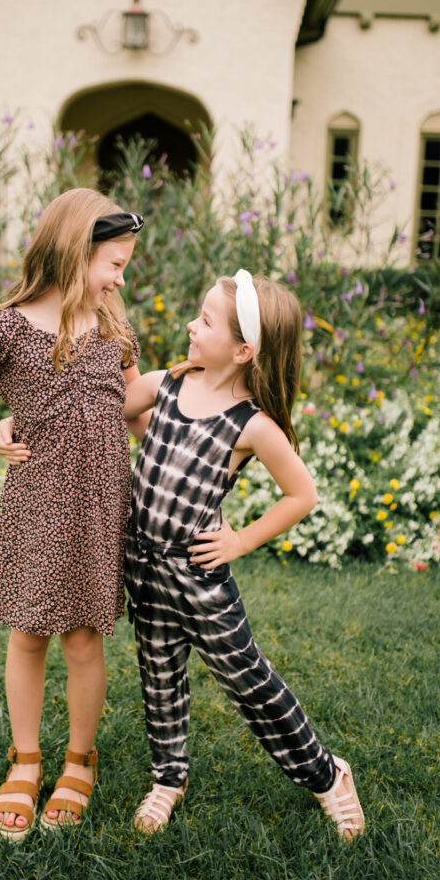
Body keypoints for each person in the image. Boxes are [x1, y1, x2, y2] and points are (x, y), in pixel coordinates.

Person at [0, 187, 144, 840]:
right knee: (29, 632)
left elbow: (130, 407)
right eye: (114, 264)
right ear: (75, 252)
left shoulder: (112, 325)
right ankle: (25, 758)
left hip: (101, 504)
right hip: (39, 501)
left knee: (83, 636)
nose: (120, 277)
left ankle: (78, 759)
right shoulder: (5, 328)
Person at [122, 270, 365, 841]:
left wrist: (241, 540)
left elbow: (301, 494)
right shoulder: (165, 383)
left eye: (204, 320)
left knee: (248, 681)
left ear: (243, 349)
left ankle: (328, 775)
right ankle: (168, 778)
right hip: (146, 567)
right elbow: (123, 415)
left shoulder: (253, 425)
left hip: (200, 576)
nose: (190, 323)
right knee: (159, 674)